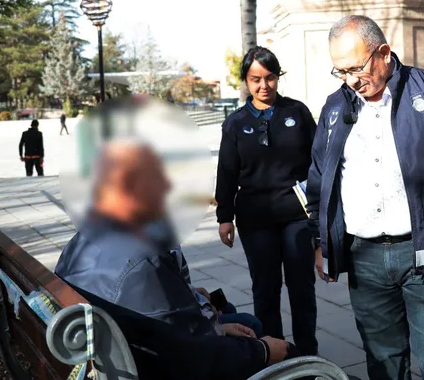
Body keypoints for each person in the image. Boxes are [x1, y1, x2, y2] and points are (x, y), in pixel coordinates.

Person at [306, 15, 424, 380]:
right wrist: (321, 240)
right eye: (341, 71)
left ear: (384, 53)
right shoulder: (334, 108)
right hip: (364, 259)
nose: (350, 80)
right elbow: (319, 179)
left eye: (356, 68)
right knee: (383, 361)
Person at [55, 140, 291, 376]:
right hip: (153, 364)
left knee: (241, 321)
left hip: (130, 350)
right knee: (285, 352)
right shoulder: (144, 262)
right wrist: (263, 350)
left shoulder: (88, 235)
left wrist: (211, 321)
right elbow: (195, 358)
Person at [215, 46, 319, 356]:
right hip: (256, 221)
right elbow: (226, 172)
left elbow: (318, 163)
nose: (264, 86)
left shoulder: (297, 113)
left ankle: (307, 355)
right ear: (246, 81)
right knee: (265, 290)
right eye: (255, 79)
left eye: (270, 78)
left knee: (302, 289)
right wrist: (225, 216)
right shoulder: (235, 123)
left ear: (277, 77)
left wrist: (321, 212)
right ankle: (277, 357)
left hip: (297, 217)